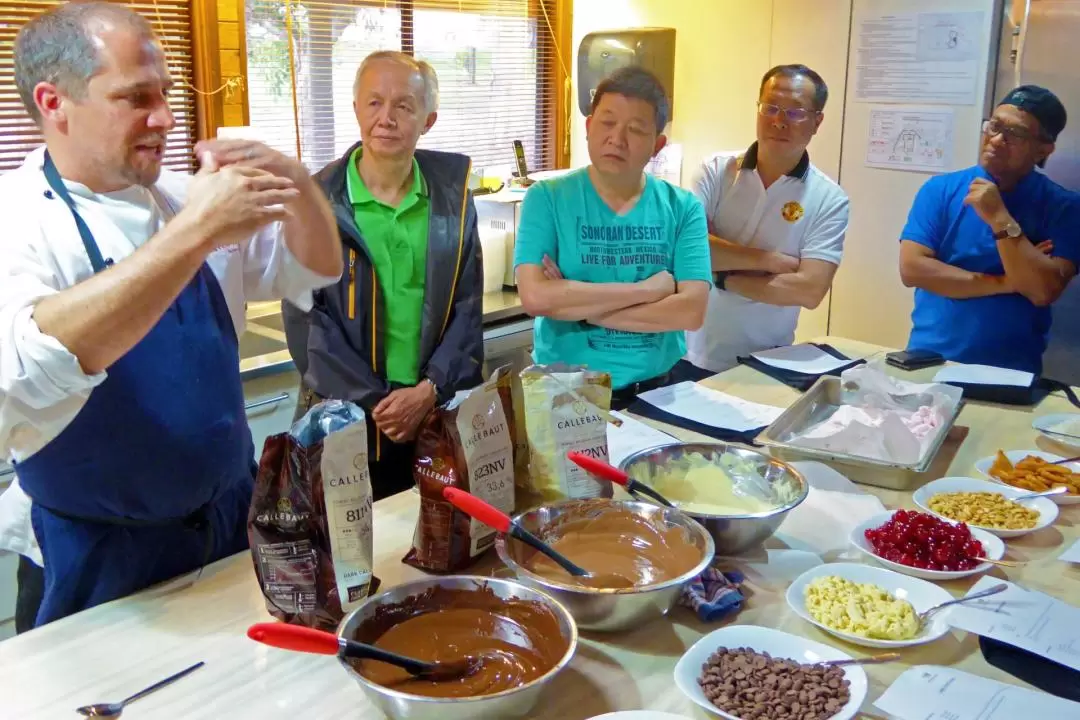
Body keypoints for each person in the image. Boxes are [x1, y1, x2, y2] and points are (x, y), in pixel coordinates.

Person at [0, 2, 342, 631]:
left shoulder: (184, 198)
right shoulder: (17, 220)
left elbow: (313, 268)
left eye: (165, 92)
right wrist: (194, 234)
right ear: (54, 103)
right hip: (97, 557)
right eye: (135, 98)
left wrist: (294, 178)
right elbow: (27, 368)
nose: (165, 118)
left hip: (230, 530)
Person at [282, 51, 483, 500]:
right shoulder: (315, 202)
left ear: (428, 119)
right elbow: (306, 321)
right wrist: (380, 403)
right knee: (353, 558)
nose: (386, 118)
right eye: (374, 103)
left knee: (437, 543)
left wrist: (428, 389)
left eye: (403, 106)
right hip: (348, 422)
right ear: (356, 109)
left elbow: (468, 307)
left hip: (435, 412)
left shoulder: (453, 199)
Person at [513, 66, 712, 409]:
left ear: (657, 145)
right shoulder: (547, 198)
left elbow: (691, 311)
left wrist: (578, 308)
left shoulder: (683, 208)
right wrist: (646, 292)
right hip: (565, 394)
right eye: (607, 123)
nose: (616, 139)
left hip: (658, 394)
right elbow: (535, 297)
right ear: (589, 127)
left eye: (635, 129)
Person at [899, 85, 1080, 373]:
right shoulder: (941, 190)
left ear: (1043, 150)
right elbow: (913, 270)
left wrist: (1000, 218)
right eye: (995, 126)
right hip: (929, 360)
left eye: (1016, 134)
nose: (996, 139)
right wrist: (1010, 282)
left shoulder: (1064, 207)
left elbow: (1042, 290)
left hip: (1011, 370)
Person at [686, 64, 849, 373]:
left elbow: (809, 290)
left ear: (817, 122)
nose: (779, 121)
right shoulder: (715, 171)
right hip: (688, 351)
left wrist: (722, 276)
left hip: (769, 360)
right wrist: (768, 261)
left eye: (795, 112)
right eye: (770, 107)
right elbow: (690, 250)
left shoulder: (830, 199)